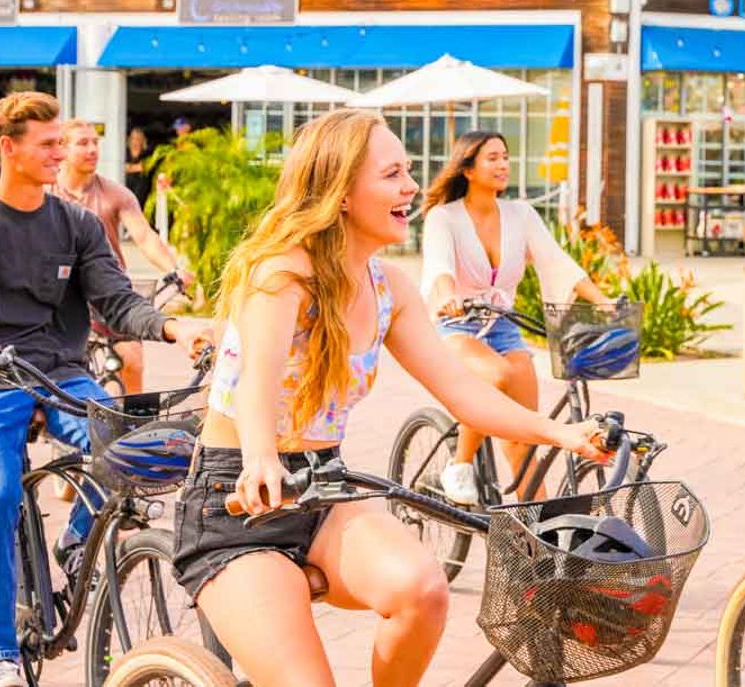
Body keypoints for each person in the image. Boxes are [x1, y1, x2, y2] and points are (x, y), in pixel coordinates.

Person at [177, 110, 610, 687]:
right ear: (342, 193)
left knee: (422, 589)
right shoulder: (282, 274)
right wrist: (260, 455)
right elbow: (259, 375)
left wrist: (563, 434)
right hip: (237, 501)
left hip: (322, 491)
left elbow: (464, 394)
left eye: (407, 171)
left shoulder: (389, 289)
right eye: (391, 174)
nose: (411, 187)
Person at [0, 92, 211, 687]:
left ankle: (75, 546)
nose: (62, 154)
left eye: (63, 142)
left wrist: (175, 328)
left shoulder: (76, 224)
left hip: (58, 367)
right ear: (9, 148)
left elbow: (117, 299)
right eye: (48, 144)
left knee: (132, 450)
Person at [420, 130, 613, 506]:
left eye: (505, 157)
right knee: (494, 376)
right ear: (468, 169)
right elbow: (440, 268)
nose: (502, 164)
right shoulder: (444, 218)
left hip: (503, 326)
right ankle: (459, 464)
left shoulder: (520, 214)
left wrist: (603, 302)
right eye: (491, 158)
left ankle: (539, 533)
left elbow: (557, 261)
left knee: (524, 439)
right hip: (459, 324)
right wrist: (448, 297)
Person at [54, 119, 193, 393]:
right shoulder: (46, 193)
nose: (92, 149)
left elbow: (143, 236)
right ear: (63, 149)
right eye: (83, 143)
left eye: (95, 142)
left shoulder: (114, 193)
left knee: (133, 359)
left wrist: (173, 269)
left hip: (108, 291)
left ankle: (134, 422)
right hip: (59, 291)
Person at [124, 126, 152, 207]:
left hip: (141, 198)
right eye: (133, 138)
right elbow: (119, 168)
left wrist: (129, 168)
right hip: (125, 195)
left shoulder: (147, 154)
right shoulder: (124, 153)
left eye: (138, 139)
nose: (135, 141)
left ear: (143, 141)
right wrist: (136, 167)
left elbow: (146, 167)